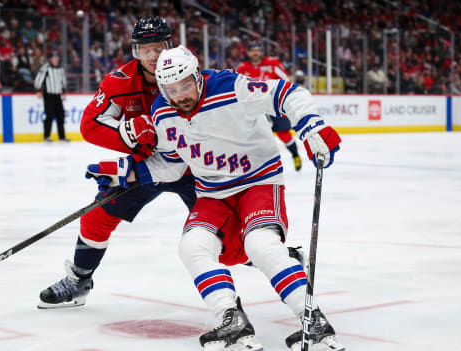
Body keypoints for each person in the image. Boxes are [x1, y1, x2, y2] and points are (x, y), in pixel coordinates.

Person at [86, 46, 344, 351]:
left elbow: (288, 93)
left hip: (258, 182)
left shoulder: (230, 86)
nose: (179, 95)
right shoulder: (162, 110)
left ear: (197, 76)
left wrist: (311, 125)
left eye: (184, 85)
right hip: (212, 194)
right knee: (192, 246)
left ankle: (312, 319)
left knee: (260, 244)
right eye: (170, 89)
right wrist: (125, 172)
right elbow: (171, 165)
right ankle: (231, 320)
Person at [38, 17, 198, 308]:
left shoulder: (188, 74)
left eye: (159, 48)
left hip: (193, 166)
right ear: (135, 51)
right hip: (148, 166)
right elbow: (90, 125)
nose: (152, 56)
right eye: (144, 49)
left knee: (224, 236)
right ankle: (79, 281)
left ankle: (280, 261)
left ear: (170, 46)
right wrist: (129, 135)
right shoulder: (119, 82)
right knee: (96, 217)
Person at [237, 41, 303, 171]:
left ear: (261, 52)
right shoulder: (241, 69)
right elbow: (237, 89)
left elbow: (285, 80)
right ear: (248, 52)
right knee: (253, 137)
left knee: (284, 134)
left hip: (274, 105)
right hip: (254, 109)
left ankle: (295, 155)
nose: (255, 53)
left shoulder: (273, 64)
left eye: (258, 50)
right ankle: (257, 166)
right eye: (252, 50)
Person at [34, 53, 68, 142]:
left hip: (57, 95)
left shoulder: (60, 69)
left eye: (57, 58)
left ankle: (62, 136)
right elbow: (39, 79)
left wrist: (63, 92)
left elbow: (63, 80)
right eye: (54, 58)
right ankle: (46, 136)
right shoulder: (46, 68)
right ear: (50, 59)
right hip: (48, 95)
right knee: (49, 115)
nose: (56, 60)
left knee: (61, 115)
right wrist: (38, 90)